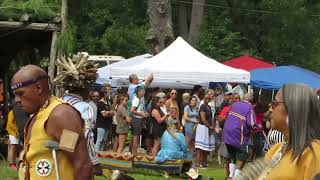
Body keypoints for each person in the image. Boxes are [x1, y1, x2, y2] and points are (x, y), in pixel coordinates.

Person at [11, 65, 92, 179]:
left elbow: (81, 163)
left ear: (38, 88)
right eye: (15, 95)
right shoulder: (37, 115)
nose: (17, 100)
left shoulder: (59, 116)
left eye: (20, 93)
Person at [57, 53, 102, 175]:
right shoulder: (84, 108)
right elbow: (87, 135)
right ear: (85, 87)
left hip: (52, 159)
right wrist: (95, 162)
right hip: (73, 160)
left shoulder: (56, 102)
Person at [262, 84, 320, 179]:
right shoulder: (274, 150)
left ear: (293, 109)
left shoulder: (314, 155)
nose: (270, 107)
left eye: (274, 103)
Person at [222, 93, 256, 179]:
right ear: (251, 100)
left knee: (232, 155)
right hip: (238, 134)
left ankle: (230, 175)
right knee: (243, 155)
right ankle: (236, 177)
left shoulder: (235, 104)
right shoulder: (249, 107)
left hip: (227, 133)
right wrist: (258, 126)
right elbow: (251, 123)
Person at [217, 93, 240, 178]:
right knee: (227, 157)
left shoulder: (242, 110)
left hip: (238, 137)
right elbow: (220, 121)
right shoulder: (227, 109)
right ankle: (228, 176)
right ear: (232, 100)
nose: (237, 100)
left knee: (236, 158)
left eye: (239, 98)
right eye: (236, 98)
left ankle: (234, 176)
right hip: (228, 136)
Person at [195, 92, 219, 168]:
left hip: (208, 127)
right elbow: (203, 120)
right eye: (206, 98)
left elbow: (210, 118)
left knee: (206, 147)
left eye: (209, 98)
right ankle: (199, 163)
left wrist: (212, 126)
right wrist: (211, 127)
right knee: (201, 147)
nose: (207, 99)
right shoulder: (202, 106)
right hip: (202, 128)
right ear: (203, 99)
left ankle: (204, 162)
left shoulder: (209, 106)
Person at [130, 86, 148, 155]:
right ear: (138, 92)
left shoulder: (138, 99)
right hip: (136, 119)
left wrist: (144, 113)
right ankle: (134, 154)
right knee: (136, 137)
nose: (144, 92)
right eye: (143, 91)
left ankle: (132, 152)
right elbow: (132, 110)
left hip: (137, 119)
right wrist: (142, 114)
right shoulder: (137, 99)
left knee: (134, 137)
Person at [96, 84, 114, 151]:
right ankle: (96, 156)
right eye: (108, 89)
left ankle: (100, 155)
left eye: (110, 89)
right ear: (104, 91)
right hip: (101, 124)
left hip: (107, 124)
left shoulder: (108, 102)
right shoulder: (101, 102)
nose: (110, 91)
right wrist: (109, 112)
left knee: (104, 141)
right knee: (99, 141)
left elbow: (111, 112)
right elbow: (104, 114)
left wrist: (108, 113)